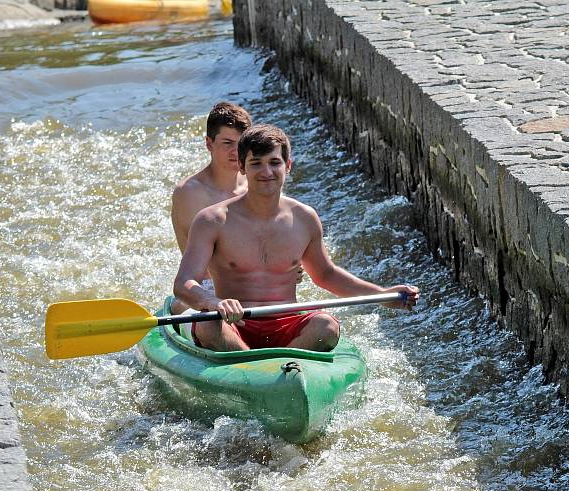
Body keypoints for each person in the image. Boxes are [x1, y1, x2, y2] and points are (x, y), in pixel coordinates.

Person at [173, 124, 419, 352]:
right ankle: (254, 366)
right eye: (256, 163)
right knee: (206, 324)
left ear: (287, 165)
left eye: (274, 162)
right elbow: (184, 283)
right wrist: (214, 303)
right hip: (234, 324)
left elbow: (326, 275)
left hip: (286, 324)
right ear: (241, 167)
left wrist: (382, 294)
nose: (266, 171)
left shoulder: (305, 218)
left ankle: (284, 365)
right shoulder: (212, 220)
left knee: (326, 326)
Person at [169, 101, 252, 314]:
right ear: (209, 144)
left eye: (241, 143)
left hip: (251, 283)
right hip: (205, 288)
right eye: (227, 143)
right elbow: (202, 268)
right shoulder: (189, 193)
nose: (236, 151)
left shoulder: (256, 182)